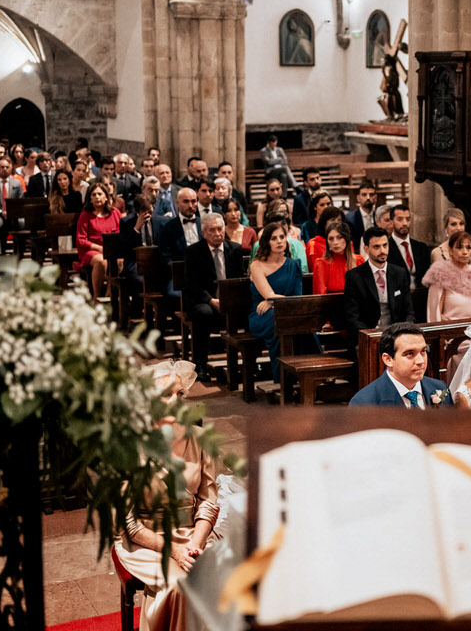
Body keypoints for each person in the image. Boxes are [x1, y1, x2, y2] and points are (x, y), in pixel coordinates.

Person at [113, 360, 221, 631]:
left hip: (192, 536)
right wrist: (175, 551)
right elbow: (129, 525)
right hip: (146, 542)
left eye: (180, 394)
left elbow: (209, 501)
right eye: (166, 395)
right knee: (178, 587)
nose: (176, 401)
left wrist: (194, 547)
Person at [184, 213, 245, 379]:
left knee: (251, 312)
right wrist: (212, 301)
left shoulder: (235, 249)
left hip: (229, 300)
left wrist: (230, 300)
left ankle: (250, 364)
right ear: (204, 233)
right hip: (204, 300)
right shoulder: (194, 252)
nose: (217, 233)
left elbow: (240, 280)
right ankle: (200, 366)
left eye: (220, 229)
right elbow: (192, 285)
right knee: (203, 314)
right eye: (212, 230)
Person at [247, 221, 304, 381]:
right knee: (279, 321)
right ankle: (283, 377)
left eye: (282, 237)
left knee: (302, 322)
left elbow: (297, 299)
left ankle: (305, 373)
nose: (279, 241)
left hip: (287, 312)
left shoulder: (294, 265)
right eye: (274, 238)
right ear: (266, 242)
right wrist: (271, 300)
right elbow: (268, 294)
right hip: (262, 315)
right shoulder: (257, 265)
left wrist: (272, 302)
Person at [348, 322, 453, 408]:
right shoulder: (365, 402)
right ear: (388, 359)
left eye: (423, 351)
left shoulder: (440, 388)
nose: (420, 361)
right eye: (410, 354)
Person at [344, 227, 415, 338]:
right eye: (376, 247)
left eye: (385, 245)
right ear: (366, 249)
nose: (382, 250)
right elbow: (352, 317)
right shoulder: (354, 276)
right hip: (367, 337)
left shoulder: (399, 273)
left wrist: (403, 334)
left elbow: (409, 311)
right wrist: (371, 335)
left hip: (396, 336)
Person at [422, 230, 471, 322]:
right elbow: (435, 315)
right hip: (452, 332)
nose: (465, 252)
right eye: (459, 248)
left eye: (468, 248)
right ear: (450, 251)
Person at [74, 182, 121, 297]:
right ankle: (96, 296)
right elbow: (81, 240)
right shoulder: (86, 215)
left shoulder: (115, 213)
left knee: (120, 261)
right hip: (91, 250)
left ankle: (110, 293)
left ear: (106, 197)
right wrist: (100, 248)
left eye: (100, 194)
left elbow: (121, 233)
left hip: (112, 249)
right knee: (101, 261)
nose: (97, 197)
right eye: (94, 195)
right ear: (90, 198)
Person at [387, 203, 432, 291]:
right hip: (398, 300)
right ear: (391, 222)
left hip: (421, 297)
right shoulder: (386, 248)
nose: (404, 223)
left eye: (408, 219)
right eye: (400, 219)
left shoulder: (421, 247)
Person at [312, 221, 363, 295]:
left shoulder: (359, 260)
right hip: (330, 305)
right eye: (331, 239)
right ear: (327, 242)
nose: (335, 242)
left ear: (346, 239)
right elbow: (319, 298)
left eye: (339, 237)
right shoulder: (321, 263)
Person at [304, 205, 346, 270]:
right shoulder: (314, 244)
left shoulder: (346, 241)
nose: (336, 223)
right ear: (324, 223)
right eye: (332, 220)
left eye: (339, 220)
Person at [344, 179, 377, 250]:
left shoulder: (379, 216)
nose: (368, 198)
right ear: (358, 198)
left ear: (375, 198)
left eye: (371, 195)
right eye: (364, 195)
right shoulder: (349, 219)